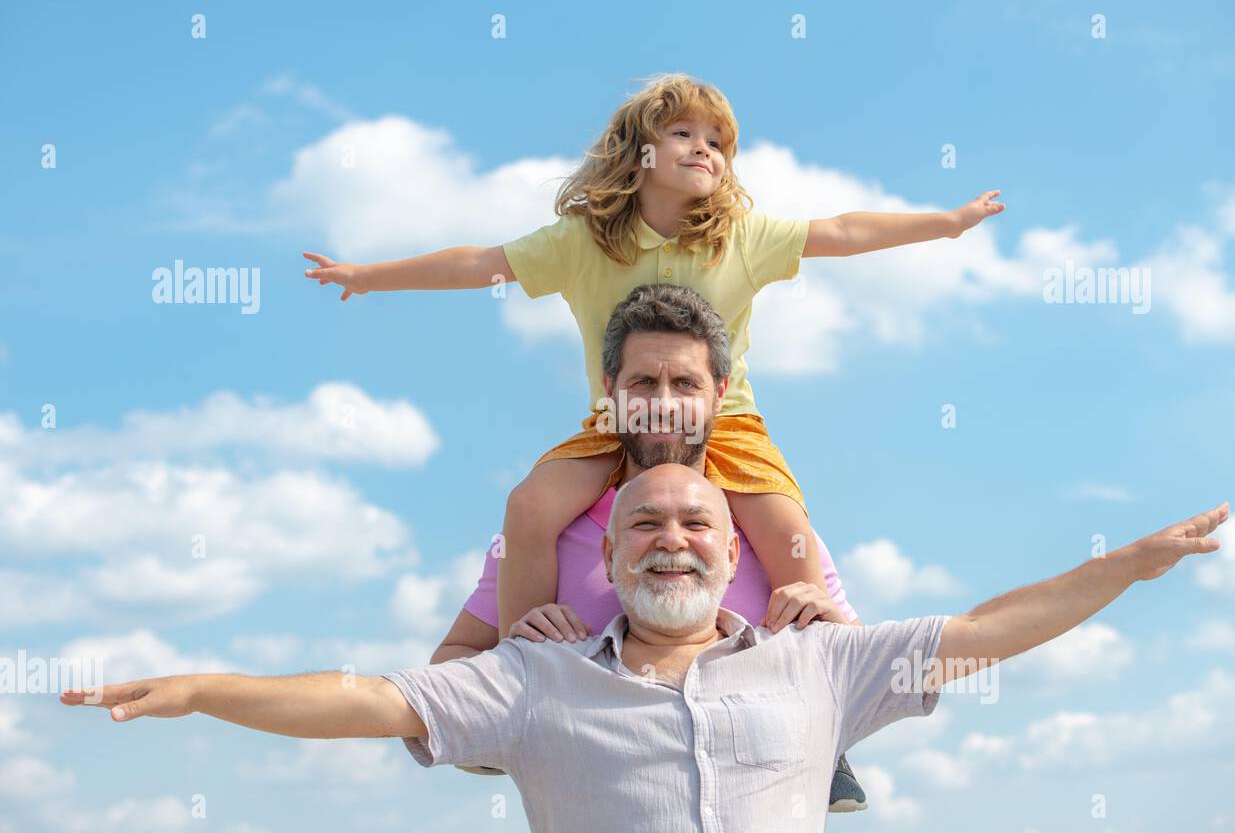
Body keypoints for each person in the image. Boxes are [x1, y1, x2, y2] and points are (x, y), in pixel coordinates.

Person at [61, 465, 1229, 833]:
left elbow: (984, 629)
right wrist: (205, 688)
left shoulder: (819, 663)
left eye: (696, 525)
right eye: (644, 524)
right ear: (607, 553)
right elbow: (369, 697)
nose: (672, 537)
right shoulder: (530, 676)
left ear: (735, 553)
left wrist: (1121, 566)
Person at [300, 72, 1005, 640]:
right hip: (617, 421)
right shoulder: (582, 242)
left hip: (724, 422)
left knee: (790, 528)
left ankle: (824, 683)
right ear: (638, 150)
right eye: (683, 133)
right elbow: (481, 263)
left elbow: (845, 230)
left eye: (718, 143)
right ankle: (519, 668)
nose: (705, 149)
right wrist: (368, 276)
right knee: (529, 505)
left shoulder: (743, 235)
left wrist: (947, 225)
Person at [432, 283, 867, 811]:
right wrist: (508, 662)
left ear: (720, 393)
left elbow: (872, 680)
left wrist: (841, 639)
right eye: (643, 382)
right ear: (609, 387)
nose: (664, 404)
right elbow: (448, 666)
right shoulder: (544, 533)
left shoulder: (780, 533)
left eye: (686, 383)